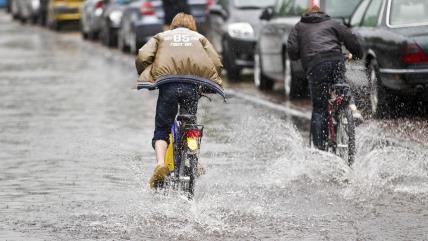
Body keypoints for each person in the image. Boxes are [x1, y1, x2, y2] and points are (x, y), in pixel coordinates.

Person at [135, 13, 223, 188]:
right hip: (191, 86)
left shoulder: (161, 36)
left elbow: (143, 55)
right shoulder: (199, 38)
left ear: (172, 25)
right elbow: (216, 63)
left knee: (162, 128)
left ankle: (160, 164)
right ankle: (194, 160)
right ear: (192, 26)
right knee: (190, 124)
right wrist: (208, 84)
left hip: (168, 84)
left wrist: (146, 73)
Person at [287, 5, 363, 150]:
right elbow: (350, 38)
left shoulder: (299, 27)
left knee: (319, 108)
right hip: (336, 60)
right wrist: (358, 53)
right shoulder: (332, 23)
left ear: (306, 14)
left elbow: (292, 51)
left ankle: (319, 150)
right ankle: (351, 109)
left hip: (316, 66)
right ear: (321, 13)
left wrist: (301, 54)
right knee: (340, 83)